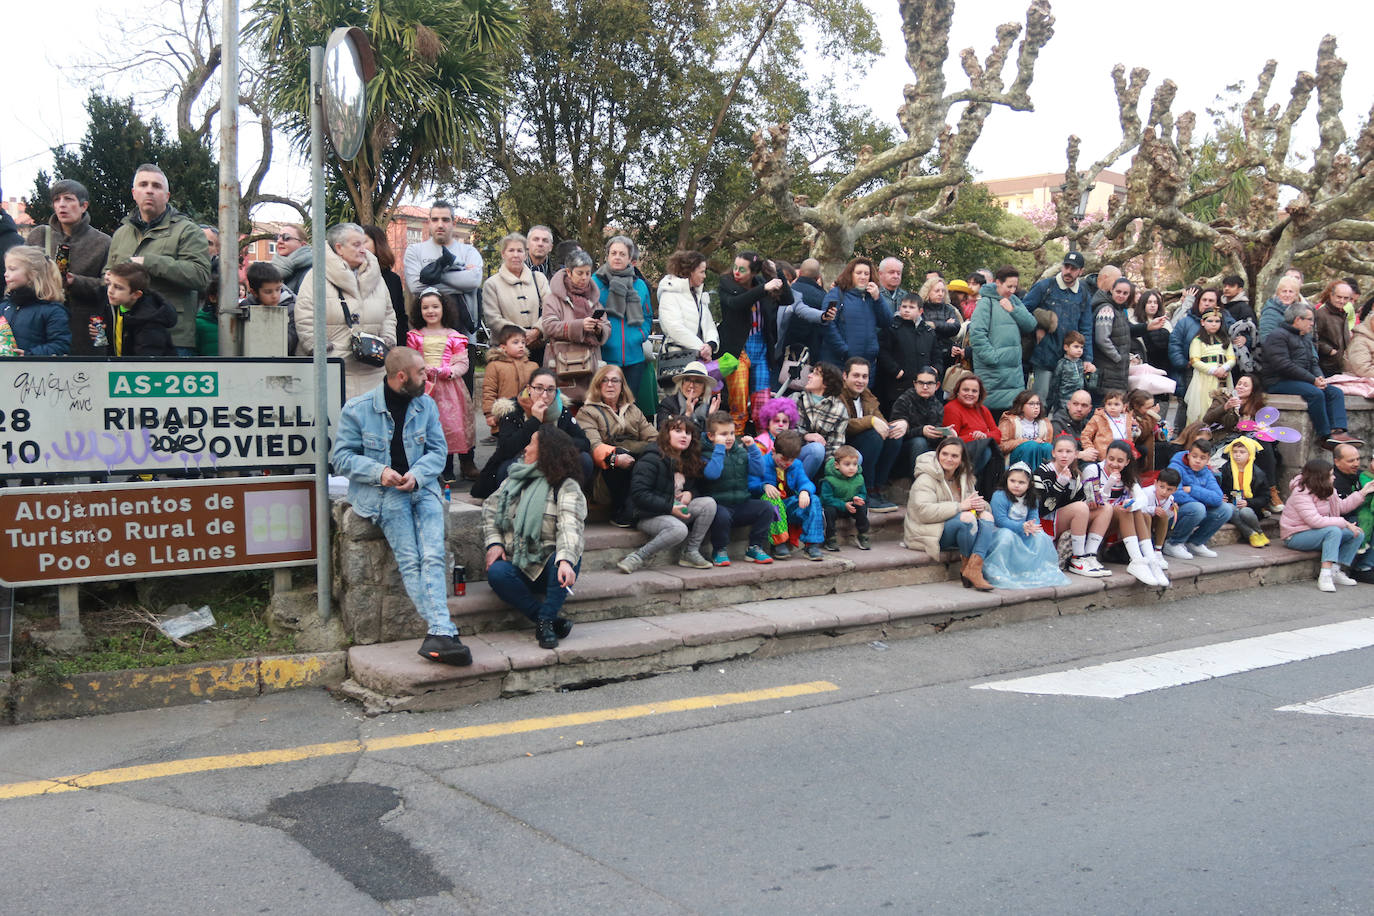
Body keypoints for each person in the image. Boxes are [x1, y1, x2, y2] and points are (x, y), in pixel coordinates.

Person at [331, 348, 472, 667]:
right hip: (384, 492)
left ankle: (440, 633)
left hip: (422, 488)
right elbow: (341, 458)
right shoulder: (357, 409)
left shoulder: (426, 405)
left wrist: (418, 475)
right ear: (401, 377)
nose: (427, 376)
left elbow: (438, 451)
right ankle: (443, 631)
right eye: (421, 372)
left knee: (433, 555)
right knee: (410, 560)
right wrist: (379, 472)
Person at [482, 425, 587, 649]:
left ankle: (546, 620)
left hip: (550, 564)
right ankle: (547, 621)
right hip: (517, 562)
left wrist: (566, 561)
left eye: (531, 444)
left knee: (568, 559)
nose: (526, 449)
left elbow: (570, 528)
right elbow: (490, 511)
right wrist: (494, 543)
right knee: (497, 573)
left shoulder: (566, 487)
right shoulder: (513, 480)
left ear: (546, 451)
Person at [104, 164, 212, 356]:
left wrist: (148, 262)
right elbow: (108, 272)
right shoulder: (121, 233)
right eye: (143, 185)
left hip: (172, 337)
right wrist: (108, 277)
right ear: (134, 193)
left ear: (167, 195)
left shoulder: (188, 231)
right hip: (125, 336)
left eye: (156, 186)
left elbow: (201, 276)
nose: (149, 190)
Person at [295, 222, 398, 399]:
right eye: (356, 245)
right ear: (339, 248)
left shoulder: (377, 277)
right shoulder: (316, 276)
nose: (363, 250)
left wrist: (388, 339)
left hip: (373, 369)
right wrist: (317, 347)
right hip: (332, 369)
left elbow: (389, 313)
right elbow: (305, 315)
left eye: (364, 244)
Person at [616, 415, 717, 573]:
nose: (684, 436)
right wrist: (670, 507)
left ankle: (690, 552)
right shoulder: (651, 458)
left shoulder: (688, 458)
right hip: (646, 514)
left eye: (688, 433)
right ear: (666, 434)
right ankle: (637, 557)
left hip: (673, 509)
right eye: (678, 431)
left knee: (709, 503)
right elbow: (639, 495)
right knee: (679, 530)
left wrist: (690, 494)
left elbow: (696, 487)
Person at [471, 368, 592, 499]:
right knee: (506, 469)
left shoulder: (561, 410)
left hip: (554, 460)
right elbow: (506, 449)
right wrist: (535, 420)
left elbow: (583, 442)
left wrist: (553, 446)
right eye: (539, 388)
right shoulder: (512, 409)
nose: (544, 395)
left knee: (584, 459)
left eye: (550, 390)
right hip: (522, 460)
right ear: (529, 388)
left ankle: (564, 499)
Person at [26, 178, 111, 355]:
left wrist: (76, 282)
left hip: (85, 330)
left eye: (68, 199)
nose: (61, 205)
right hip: (43, 329)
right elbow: (21, 276)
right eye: (57, 200)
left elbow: (109, 287)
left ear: (83, 206)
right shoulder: (39, 236)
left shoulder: (102, 242)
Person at [1259, 302, 1359, 448]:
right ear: (1297, 319)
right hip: (1278, 381)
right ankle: (1324, 435)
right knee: (1315, 393)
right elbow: (1283, 365)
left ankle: (1339, 432)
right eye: (1310, 319)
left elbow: (1313, 362)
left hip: (1302, 380)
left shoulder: (1305, 337)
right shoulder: (1277, 336)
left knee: (1335, 392)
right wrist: (1312, 380)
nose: (1312, 324)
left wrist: (1320, 378)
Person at [902, 437, 995, 591]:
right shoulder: (925, 479)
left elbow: (972, 502)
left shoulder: (965, 477)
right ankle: (968, 567)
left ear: (961, 459)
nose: (948, 459)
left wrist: (980, 506)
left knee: (987, 516)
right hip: (929, 531)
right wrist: (960, 507)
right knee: (966, 518)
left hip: (956, 526)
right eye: (944, 454)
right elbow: (924, 512)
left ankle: (974, 568)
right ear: (938, 454)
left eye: (954, 456)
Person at [719, 251, 792, 432]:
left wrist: (778, 273)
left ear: (753, 272)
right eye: (735, 267)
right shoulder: (727, 283)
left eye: (742, 269)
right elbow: (736, 302)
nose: (736, 272)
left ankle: (763, 446)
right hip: (737, 351)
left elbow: (788, 299)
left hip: (760, 348)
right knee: (739, 406)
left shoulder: (761, 283)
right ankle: (733, 445)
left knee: (762, 407)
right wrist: (764, 289)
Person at [577, 363, 657, 527]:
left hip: (638, 465)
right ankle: (622, 511)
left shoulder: (633, 410)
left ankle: (639, 507)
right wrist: (615, 458)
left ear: (622, 385)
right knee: (618, 454)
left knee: (655, 452)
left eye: (615, 380)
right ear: (598, 385)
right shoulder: (587, 412)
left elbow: (654, 438)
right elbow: (594, 446)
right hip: (606, 474)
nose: (610, 385)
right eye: (604, 381)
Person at [407, 288, 473, 484]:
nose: (431, 311)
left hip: (449, 388)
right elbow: (411, 358)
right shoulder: (415, 336)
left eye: (435, 306)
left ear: (444, 308)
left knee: (450, 426)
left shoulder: (454, 336)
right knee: (425, 425)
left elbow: (463, 362)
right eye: (425, 307)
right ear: (420, 311)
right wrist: (421, 370)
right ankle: (428, 467)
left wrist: (448, 371)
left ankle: (447, 466)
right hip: (423, 388)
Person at [1279, 457, 1374, 592]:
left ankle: (1336, 571)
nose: (1334, 477)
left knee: (1357, 533)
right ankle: (1325, 575)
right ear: (1320, 477)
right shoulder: (1301, 492)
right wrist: (1344, 523)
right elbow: (1315, 521)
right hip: (1295, 535)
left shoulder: (1328, 489)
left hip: (1318, 533)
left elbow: (1342, 507)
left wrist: (1363, 492)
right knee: (1333, 531)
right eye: (1330, 475)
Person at [700, 410, 775, 566]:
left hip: (741, 504)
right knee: (721, 514)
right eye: (724, 434)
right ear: (711, 436)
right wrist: (719, 450)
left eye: (732, 433)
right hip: (720, 505)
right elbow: (712, 474)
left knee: (767, 507)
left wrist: (753, 449)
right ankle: (719, 549)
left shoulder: (740, 452)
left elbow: (759, 471)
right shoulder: (705, 454)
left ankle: (754, 547)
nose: (729, 438)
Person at [1034, 435, 1114, 577]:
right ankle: (1077, 559)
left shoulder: (1076, 475)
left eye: (1069, 452)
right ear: (1053, 453)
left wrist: (1099, 494)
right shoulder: (1042, 472)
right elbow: (1042, 508)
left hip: (1066, 518)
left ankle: (1089, 555)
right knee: (1081, 508)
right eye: (1060, 451)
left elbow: (1080, 499)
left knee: (1106, 508)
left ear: (1076, 454)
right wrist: (1059, 484)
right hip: (1045, 522)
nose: (1064, 455)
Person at [982, 462, 1071, 589]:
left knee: (1040, 536)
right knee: (1006, 536)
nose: (1016, 485)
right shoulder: (1000, 496)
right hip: (1001, 531)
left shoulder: (1032, 498)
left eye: (1021, 482)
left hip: (1023, 530)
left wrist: (1031, 526)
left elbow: (1034, 517)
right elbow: (1000, 520)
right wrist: (1021, 526)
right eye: (1012, 481)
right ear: (1006, 480)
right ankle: (1001, 570)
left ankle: (1032, 570)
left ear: (1029, 485)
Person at [539, 247, 609, 405]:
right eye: (580, 273)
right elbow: (549, 326)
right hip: (562, 366)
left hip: (590, 367)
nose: (585, 278)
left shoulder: (595, 299)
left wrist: (598, 328)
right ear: (569, 272)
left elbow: (606, 326)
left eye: (588, 273)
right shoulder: (553, 299)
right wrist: (580, 326)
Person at [402, 200, 482, 334]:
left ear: (453, 223)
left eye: (445, 220)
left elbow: (473, 282)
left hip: (464, 336)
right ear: (428, 223)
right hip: (424, 338)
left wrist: (431, 275)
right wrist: (461, 283)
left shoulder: (469, 251)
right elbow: (416, 286)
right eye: (435, 220)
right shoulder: (414, 250)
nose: (440, 224)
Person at [1025, 252, 1096, 400]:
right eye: (1066, 266)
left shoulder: (1083, 293)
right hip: (1044, 354)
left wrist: (1087, 358)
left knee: (1066, 403)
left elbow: (1086, 327)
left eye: (1073, 268)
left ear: (1081, 271)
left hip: (1070, 358)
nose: (1068, 271)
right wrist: (1038, 326)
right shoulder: (1045, 286)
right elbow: (1024, 311)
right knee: (1040, 401)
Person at [593, 235, 654, 397]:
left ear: (629, 258)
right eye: (613, 253)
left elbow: (648, 316)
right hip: (605, 357)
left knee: (629, 405)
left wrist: (641, 335)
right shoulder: (594, 283)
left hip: (634, 358)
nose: (617, 257)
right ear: (607, 256)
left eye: (622, 254)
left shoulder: (640, 284)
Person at [840, 357, 904, 510]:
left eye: (864, 376)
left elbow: (880, 422)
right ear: (845, 376)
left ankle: (878, 488)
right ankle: (866, 491)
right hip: (843, 444)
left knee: (894, 436)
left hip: (864, 442)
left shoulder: (866, 395)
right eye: (856, 375)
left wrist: (898, 425)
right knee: (873, 437)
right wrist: (870, 421)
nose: (860, 380)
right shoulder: (837, 394)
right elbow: (843, 425)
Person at [970, 266, 1036, 414]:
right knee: (991, 416)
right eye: (1009, 286)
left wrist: (1013, 310)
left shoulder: (1014, 301)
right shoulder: (985, 303)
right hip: (992, 371)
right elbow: (977, 334)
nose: (1012, 290)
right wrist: (993, 358)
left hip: (1014, 373)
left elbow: (1031, 324)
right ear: (998, 283)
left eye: (1015, 286)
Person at [483, 232, 551, 368]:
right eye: (511, 250)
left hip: (537, 348)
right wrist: (521, 335)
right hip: (505, 351)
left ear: (525, 254)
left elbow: (551, 309)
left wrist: (537, 331)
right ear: (503, 254)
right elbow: (493, 319)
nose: (515, 255)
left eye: (520, 250)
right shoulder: (492, 284)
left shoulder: (539, 279)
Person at [1163, 440, 1235, 559]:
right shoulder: (1175, 467)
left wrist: (1191, 489)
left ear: (1207, 460)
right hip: (1173, 514)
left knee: (1225, 509)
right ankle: (1173, 543)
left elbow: (1217, 497)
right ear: (1188, 454)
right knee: (1198, 508)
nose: (1197, 461)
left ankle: (1195, 543)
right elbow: (1176, 494)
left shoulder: (1206, 472)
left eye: (1202, 458)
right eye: (1194, 456)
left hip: (1196, 512)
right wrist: (1203, 500)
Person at [760, 430, 826, 560]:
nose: (786, 463)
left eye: (791, 460)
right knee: (772, 500)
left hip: (788, 504)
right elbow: (751, 483)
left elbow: (805, 482)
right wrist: (764, 486)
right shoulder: (763, 462)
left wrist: (804, 491)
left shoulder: (796, 465)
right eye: (783, 459)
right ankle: (778, 543)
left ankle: (811, 544)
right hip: (768, 506)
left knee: (814, 499)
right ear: (773, 451)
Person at [818, 256, 890, 370]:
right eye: (859, 273)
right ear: (850, 274)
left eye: (866, 274)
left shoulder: (872, 297)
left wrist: (878, 299)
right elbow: (827, 324)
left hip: (867, 363)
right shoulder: (836, 294)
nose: (863, 277)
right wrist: (843, 350)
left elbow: (887, 322)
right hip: (841, 362)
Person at [1, 246, 71, 356]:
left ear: (33, 273)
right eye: (6, 269)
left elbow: (60, 346)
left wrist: (29, 355)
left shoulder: (52, 311)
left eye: (12, 269)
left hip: (36, 371)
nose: (6, 274)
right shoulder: (4, 307)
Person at [878, 294, 940, 412]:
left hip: (923, 386)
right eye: (904, 306)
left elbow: (936, 355)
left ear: (920, 311)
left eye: (911, 307)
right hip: (897, 385)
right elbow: (882, 352)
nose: (906, 310)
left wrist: (936, 369)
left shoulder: (928, 331)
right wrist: (896, 371)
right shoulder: (891, 328)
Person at [658, 249, 719, 362]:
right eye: (702, 272)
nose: (704, 276)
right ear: (690, 272)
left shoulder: (699, 296)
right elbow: (675, 328)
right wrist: (702, 348)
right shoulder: (669, 294)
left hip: (698, 359)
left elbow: (709, 326)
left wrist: (710, 345)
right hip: (676, 360)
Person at [104, 262, 177, 356]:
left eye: (118, 287)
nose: (110, 291)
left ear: (136, 294)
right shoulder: (115, 305)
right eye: (109, 284)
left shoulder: (149, 322)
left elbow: (145, 362)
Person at [943, 373, 1001, 488]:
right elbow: (953, 441)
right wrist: (975, 438)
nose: (970, 394)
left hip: (981, 449)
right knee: (987, 450)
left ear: (979, 394)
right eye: (966, 390)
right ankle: (964, 484)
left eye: (974, 391)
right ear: (957, 391)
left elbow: (998, 435)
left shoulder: (983, 409)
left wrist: (984, 436)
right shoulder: (951, 408)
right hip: (962, 454)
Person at [795, 362, 849, 479]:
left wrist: (834, 467)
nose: (809, 376)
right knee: (816, 449)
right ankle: (798, 490)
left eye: (815, 374)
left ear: (826, 382)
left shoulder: (839, 409)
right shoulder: (796, 398)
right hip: (793, 454)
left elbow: (835, 444)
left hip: (823, 460)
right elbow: (784, 433)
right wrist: (806, 436)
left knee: (855, 457)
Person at [482, 325, 540, 435]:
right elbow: (489, 391)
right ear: (503, 347)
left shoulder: (533, 366)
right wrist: (489, 414)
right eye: (515, 342)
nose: (521, 346)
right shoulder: (495, 366)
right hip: (504, 417)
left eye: (523, 342)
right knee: (507, 447)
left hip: (528, 415)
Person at [889, 366, 947, 468]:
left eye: (929, 383)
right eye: (921, 383)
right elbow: (894, 434)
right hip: (903, 450)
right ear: (915, 384)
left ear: (937, 386)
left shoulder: (938, 406)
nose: (925, 387)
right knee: (919, 442)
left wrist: (944, 433)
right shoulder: (904, 400)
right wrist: (921, 431)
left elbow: (934, 440)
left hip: (928, 450)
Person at [1184, 308, 1235, 424]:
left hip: (1223, 377)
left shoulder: (1225, 340)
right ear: (1203, 322)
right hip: (1204, 379)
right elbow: (1194, 360)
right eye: (1210, 321)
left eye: (1217, 321)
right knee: (1203, 405)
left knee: (1222, 403)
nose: (1214, 324)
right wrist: (1213, 370)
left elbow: (1231, 358)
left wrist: (1224, 368)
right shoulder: (1197, 341)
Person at [1219, 436, 1270, 547]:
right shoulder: (1226, 469)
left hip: (1252, 508)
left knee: (1245, 512)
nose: (1237, 455)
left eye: (1242, 452)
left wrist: (1248, 502)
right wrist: (1220, 496)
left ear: (1250, 454)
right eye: (1235, 452)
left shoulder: (1258, 474)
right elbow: (1219, 487)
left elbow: (1265, 498)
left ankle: (1259, 532)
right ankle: (1251, 534)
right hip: (1232, 505)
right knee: (1230, 509)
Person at [361, 224, 408, 343]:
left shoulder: (393, 279)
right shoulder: (351, 275)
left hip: (387, 345)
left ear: (377, 243)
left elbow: (399, 317)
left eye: (364, 241)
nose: (360, 246)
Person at [241, 261, 297, 354]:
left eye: (278, 289)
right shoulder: (245, 308)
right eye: (268, 292)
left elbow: (289, 343)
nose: (275, 296)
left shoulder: (290, 308)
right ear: (254, 292)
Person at [821, 444, 870, 551]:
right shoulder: (829, 480)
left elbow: (863, 493)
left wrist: (858, 498)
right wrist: (843, 505)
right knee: (829, 511)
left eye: (854, 464)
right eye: (847, 464)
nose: (852, 468)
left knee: (863, 506)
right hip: (836, 506)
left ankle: (863, 535)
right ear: (837, 465)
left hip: (852, 506)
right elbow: (826, 498)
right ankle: (830, 538)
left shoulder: (859, 478)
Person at [1093, 276, 1136, 395]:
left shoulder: (1120, 310)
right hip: (1107, 369)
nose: (1121, 295)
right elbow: (1102, 339)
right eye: (1118, 291)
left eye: (1125, 293)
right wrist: (1118, 357)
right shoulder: (1107, 310)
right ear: (1111, 290)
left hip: (1117, 370)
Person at [1079, 389, 1141, 462]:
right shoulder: (1098, 418)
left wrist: (1135, 428)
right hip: (1103, 455)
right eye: (1109, 404)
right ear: (1104, 405)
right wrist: (1089, 448)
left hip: (1124, 453)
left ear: (1124, 406)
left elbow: (1133, 435)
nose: (1112, 407)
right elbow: (1085, 435)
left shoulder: (1128, 418)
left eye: (1116, 404)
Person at [657, 360, 721, 430]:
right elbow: (662, 431)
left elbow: (714, 437)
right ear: (681, 383)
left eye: (698, 381)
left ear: (704, 388)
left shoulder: (710, 406)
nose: (691, 385)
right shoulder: (668, 403)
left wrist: (711, 419)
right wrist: (687, 415)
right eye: (687, 380)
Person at [998, 390, 1054, 469]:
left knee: (1047, 447)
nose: (1036, 407)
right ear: (1021, 407)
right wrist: (1024, 441)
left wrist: (1041, 442)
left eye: (1038, 403)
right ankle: (1030, 477)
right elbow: (1001, 446)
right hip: (1014, 457)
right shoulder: (1009, 421)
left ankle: (1046, 476)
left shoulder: (1045, 423)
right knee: (1032, 445)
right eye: (1031, 404)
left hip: (1037, 455)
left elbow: (1047, 443)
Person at [916, 275, 963, 369]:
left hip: (947, 354)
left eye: (943, 291)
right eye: (937, 291)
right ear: (928, 292)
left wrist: (934, 325)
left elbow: (956, 327)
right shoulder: (921, 308)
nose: (941, 294)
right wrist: (945, 325)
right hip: (926, 354)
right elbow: (922, 328)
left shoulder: (948, 308)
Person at [1313, 280, 1357, 378]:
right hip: (1324, 366)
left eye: (1346, 298)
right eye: (1339, 297)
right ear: (1331, 295)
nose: (1342, 301)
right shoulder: (1321, 314)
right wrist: (1329, 350)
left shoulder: (1343, 314)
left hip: (1339, 366)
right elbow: (1312, 338)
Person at [1047, 331, 1088, 414]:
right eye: (1076, 347)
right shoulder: (1062, 363)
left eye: (1081, 347)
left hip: (1078, 401)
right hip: (1063, 401)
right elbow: (1055, 384)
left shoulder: (1080, 363)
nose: (1079, 350)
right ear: (1066, 347)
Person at [1052, 389, 1098, 462]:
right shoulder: (1057, 424)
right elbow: (1056, 452)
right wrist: (1080, 454)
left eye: (1084, 405)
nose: (1079, 409)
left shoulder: (1091, 425)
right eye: (1075, 404)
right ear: (1068, 405)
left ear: (1090, 409)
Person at [270, 223, 312, 293]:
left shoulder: (313, 272)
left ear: (302, 244)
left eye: (286, 237)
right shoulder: (270, 269)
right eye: (278, 237)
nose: (279, 241)